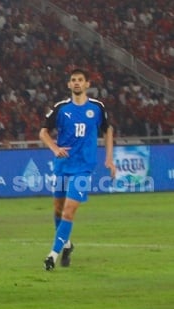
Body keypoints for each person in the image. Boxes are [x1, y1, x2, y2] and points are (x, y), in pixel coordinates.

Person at [39, 69, 116, 271]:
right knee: (57, 209)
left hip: (83, 168)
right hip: (63, 166)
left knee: (69, 210)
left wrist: (109, 159)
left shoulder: (97, 108)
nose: (76, 83)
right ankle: (67, 244)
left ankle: (52, 255)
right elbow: (43, 131)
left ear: (87, 84)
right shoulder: (61, 108)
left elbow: (108, 130)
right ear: (68, 84)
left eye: (80, 80)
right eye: (73, 80)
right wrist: (54, 148)